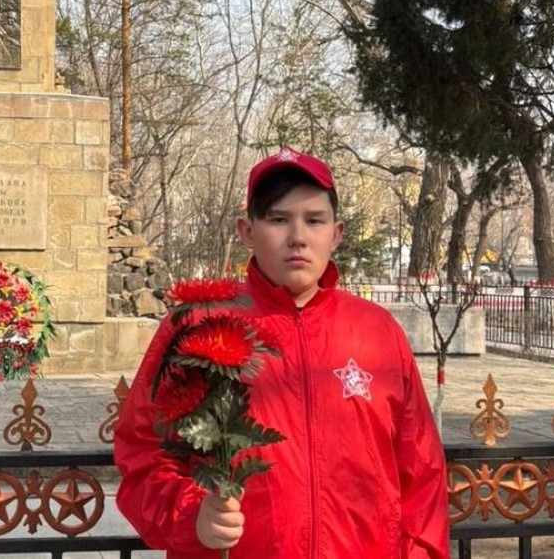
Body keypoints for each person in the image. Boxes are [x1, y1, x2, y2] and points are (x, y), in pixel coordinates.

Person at [113, 147, 450, 558]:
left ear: (336, 233)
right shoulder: (201, 327)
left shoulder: (378, 332)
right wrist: (192, 515)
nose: (298, 237)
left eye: (314, 220)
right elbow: (143, 454)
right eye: (278, 219)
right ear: (246, 231)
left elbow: (422, 473)